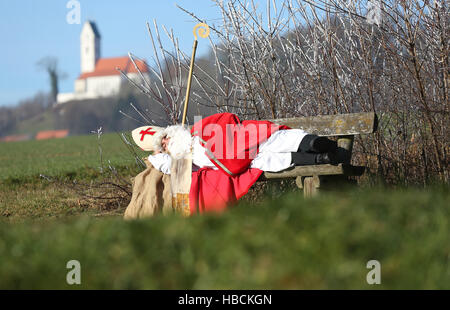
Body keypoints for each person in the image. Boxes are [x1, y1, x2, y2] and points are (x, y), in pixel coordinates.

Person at [132, 112, 338, 176]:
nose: (168, 141)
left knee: (276, 139)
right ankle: (322, 158)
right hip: (240, 160)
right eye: (164, 145)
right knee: (269, 161)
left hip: (241, 138)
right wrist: (154, 155)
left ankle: (320, 144)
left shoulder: (197, 129)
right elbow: (168, 167)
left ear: (173, 129)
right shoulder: (185, 160)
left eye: (166, 135)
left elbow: (225, 118)